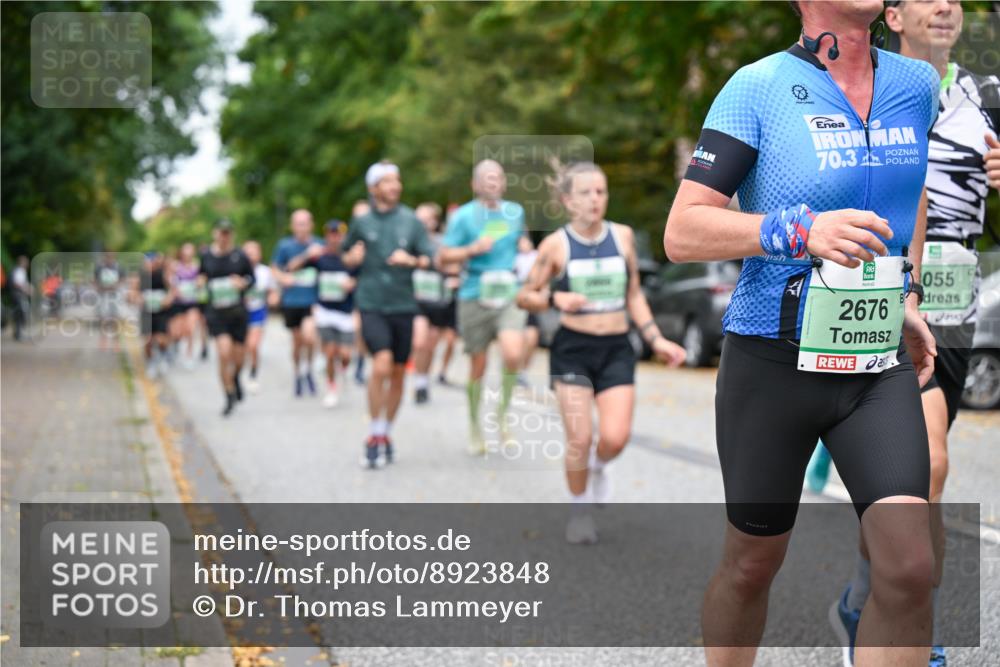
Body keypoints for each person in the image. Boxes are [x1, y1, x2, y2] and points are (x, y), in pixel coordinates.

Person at [663, 0, 941, 664]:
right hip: (772, 359)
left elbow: (914, 191)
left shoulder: (916, 84)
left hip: (875, 363)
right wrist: (796, 228)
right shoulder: (754, 88)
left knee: (908, 567)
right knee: (751, 564)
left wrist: (904, 289)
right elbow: (682, 231)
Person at [828, 3, 1000, 666]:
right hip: (887, 293)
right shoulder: (872, 85)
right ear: (892, 15)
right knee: (928, 463)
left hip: (957, 306)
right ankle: (904, 626)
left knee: (916, 473)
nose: (946, 6)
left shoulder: (983, 96)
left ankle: (868, 600)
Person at [518, 161, 685, 544]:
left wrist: (655, 339)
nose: (595, 200)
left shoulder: (623, 236)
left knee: (615, 437)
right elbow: (524, 295)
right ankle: (579, 512)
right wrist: (555, 298)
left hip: (616, 348)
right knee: (579, 437)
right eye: (586, 193)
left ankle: (598, 465)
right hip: (572, 350)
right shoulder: (555, 245)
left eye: (601, 192)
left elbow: (634, 295)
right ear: (567, 200)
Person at [342, 161, 435, 468]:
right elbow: (345, 254)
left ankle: (385, 433)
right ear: (374, 189)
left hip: (403, 305)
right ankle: (372, 433)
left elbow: (430, 258)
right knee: (380, 364)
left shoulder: (411, 221)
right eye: (388, 181)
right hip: (371, 303)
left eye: (397, 180)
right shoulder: (362, 221)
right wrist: (351, 258)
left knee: (397, 373)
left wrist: (412, 260)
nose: (395, 185)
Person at [438, 160, 527, 455]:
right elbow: (443, 258)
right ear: (475, 185)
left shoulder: (515, 212)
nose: (493, 183)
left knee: (514, 353)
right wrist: (471, 250)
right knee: (478, 365)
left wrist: (526, 248)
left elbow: (521, 240)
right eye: (487, 179)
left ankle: (502, 415)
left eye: (498, 177)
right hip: (474, 294)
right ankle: (475, 423)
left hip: (508, 293)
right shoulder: (462, 217)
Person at [298, 220, 358, 408]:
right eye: (332, 233)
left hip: (346, 313)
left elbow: (363, 277)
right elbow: (292, 268)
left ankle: (344, 369)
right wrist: (306, 254)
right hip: (325, 311)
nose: (335, 237)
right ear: (326, 235)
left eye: (339, 233)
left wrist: (353, 283)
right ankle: (332, 388)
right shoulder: (319, 258)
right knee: (330, 353)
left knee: (346, 354)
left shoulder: (350, 259)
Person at [199, 220, 255, 416]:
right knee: (224, 354)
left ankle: (236, 377)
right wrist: (201, 281)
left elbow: (251, 279)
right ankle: (228, 394)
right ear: (215, 233)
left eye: (227, 233)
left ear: (232, 234)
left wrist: (243, 283)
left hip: (237, 313)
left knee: (239, 359)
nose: (224, 237)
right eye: (221, 233)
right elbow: (201, 276)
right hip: (217, 313)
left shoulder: (240, 256)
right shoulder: (206, 256)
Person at [410, 202, 460, 403]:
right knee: (419, 341)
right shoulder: (408, 242)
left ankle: (422, 381)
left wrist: (449, 271)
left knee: (430, 344)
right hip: (416, 299)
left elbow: (456, 266)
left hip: (438, 300)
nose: (421, 223)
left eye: (425, 219)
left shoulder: (442, 243)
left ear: (433, 222)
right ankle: (419, 378)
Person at [271, 209, 322, 397]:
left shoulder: (320, 244)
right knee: (297, 341)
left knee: (310, 337)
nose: (302, 227)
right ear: (293, 226)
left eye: (305, 223)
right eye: (298, 223)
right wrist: (283, 279)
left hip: (312, 300)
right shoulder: (285, 246)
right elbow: (275, 269)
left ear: (311, 224)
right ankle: (297, 373)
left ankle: (308, 368)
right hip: (292, 300)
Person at [242, 240, 275, 394]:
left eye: (253, 252)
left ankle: (253, 374)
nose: (250, 256)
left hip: (258, 312)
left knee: (253, 345)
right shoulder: (237, 271)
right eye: (247, 253)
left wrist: (273, 298)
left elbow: (272, 291)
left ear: (259, 254)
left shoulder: (265, 272)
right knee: (242, 347)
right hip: (239, 313)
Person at [137, 252, 174, 379]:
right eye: (147, 262)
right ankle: (151, 363)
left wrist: (168, 299)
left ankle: (164, 355)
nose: (150, 265)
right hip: (146, 312)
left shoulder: (163, 274)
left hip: (161, 312)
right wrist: (138, 298)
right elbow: (133, 293)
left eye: (152, 262)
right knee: (147, 340)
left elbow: (172, 290)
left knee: (161, 339)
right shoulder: (140, 276)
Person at [169, 242, 203, 369]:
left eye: (190, 250)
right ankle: (175, 347)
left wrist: (199, 283)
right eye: (185, 250)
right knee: (177, 332)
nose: (188, 253)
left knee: (190, 329)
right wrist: (174, 289)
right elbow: (170, 281)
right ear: (182, 252)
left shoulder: (197, 266)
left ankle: (189, 355)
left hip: (192, 302)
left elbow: (202, 280)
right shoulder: (175, 266)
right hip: (178, 303)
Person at [351, 199, 372, 386]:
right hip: (348, 294)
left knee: (362, 330)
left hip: (370, 293)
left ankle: (360, 362)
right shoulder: (350, 242)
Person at [514, 234, 541, 383]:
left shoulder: (537, 257)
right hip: (515, 303)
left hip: (531, 303)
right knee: (517, 339)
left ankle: (523, 370)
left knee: (532, 338)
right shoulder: (512, 259)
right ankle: (513, 369)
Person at [94, 251, 123, 347]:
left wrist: (116, 286)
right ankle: (103, 340)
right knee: (104, 319)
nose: (109, 258)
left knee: (115, 319)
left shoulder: (118, 267)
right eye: (108, 256)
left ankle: (116, 342)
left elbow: (123, 280)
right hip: (103, 295)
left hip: (115, 296)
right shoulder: (99, 267)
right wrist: (100, 287)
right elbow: (95, 280)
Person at [11, 256, 30, 340]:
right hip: (18, 295)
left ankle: (18, 333)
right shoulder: (19, 271)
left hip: (18, 295)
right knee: (20, 314)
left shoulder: (20, 270)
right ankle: (18, 334)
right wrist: (27, 289)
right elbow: (17, 283)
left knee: (21, 314)